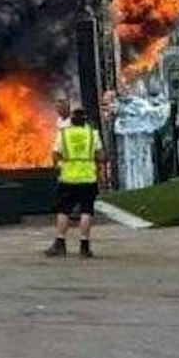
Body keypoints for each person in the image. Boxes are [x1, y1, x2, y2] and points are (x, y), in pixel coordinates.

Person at [46, 107, 104, 258]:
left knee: (64, 210)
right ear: (85, 120)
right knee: (86, 210)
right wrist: (98, 169)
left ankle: (60, 243)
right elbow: (100, 156)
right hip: (88, 178)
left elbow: (55, 154)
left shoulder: (64, 134)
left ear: (72, 120)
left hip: (68, 178)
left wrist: (61, 165)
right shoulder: (93, 134)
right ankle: (84, 247)